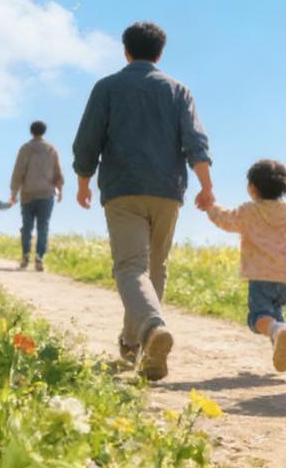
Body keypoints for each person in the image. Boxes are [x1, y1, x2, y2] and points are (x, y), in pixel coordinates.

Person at [72, 21, 213, 381]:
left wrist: (83, 181)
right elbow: (195, 140)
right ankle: (133, 346)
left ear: (125, 50)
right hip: (168, 191)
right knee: (154, 268)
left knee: (131, 267)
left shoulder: (107, 87)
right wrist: (206, 186)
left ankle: (151, 329)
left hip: (124, 188)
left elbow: (88, 139)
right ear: (160, 53)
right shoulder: (179, 90)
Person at [204, 159, 286, 372]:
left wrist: (210, 207)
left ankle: (279, 331)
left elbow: (226, 220)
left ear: (252, 188)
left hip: (260, 276)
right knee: (275, 313)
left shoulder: (249, 210)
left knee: (258, 317)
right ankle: (279, 336)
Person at [10, 120, 64, 271]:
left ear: (31, 131)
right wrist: (59, 191)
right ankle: (39, 258)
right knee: (43, 227)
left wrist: (14, 192)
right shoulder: (51, 149)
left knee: (26, 226)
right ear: (44, 131)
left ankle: (25, 256)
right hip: (47, 194)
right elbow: (58, 171)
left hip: (28, 194)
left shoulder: (25, 149)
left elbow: (18, 171)